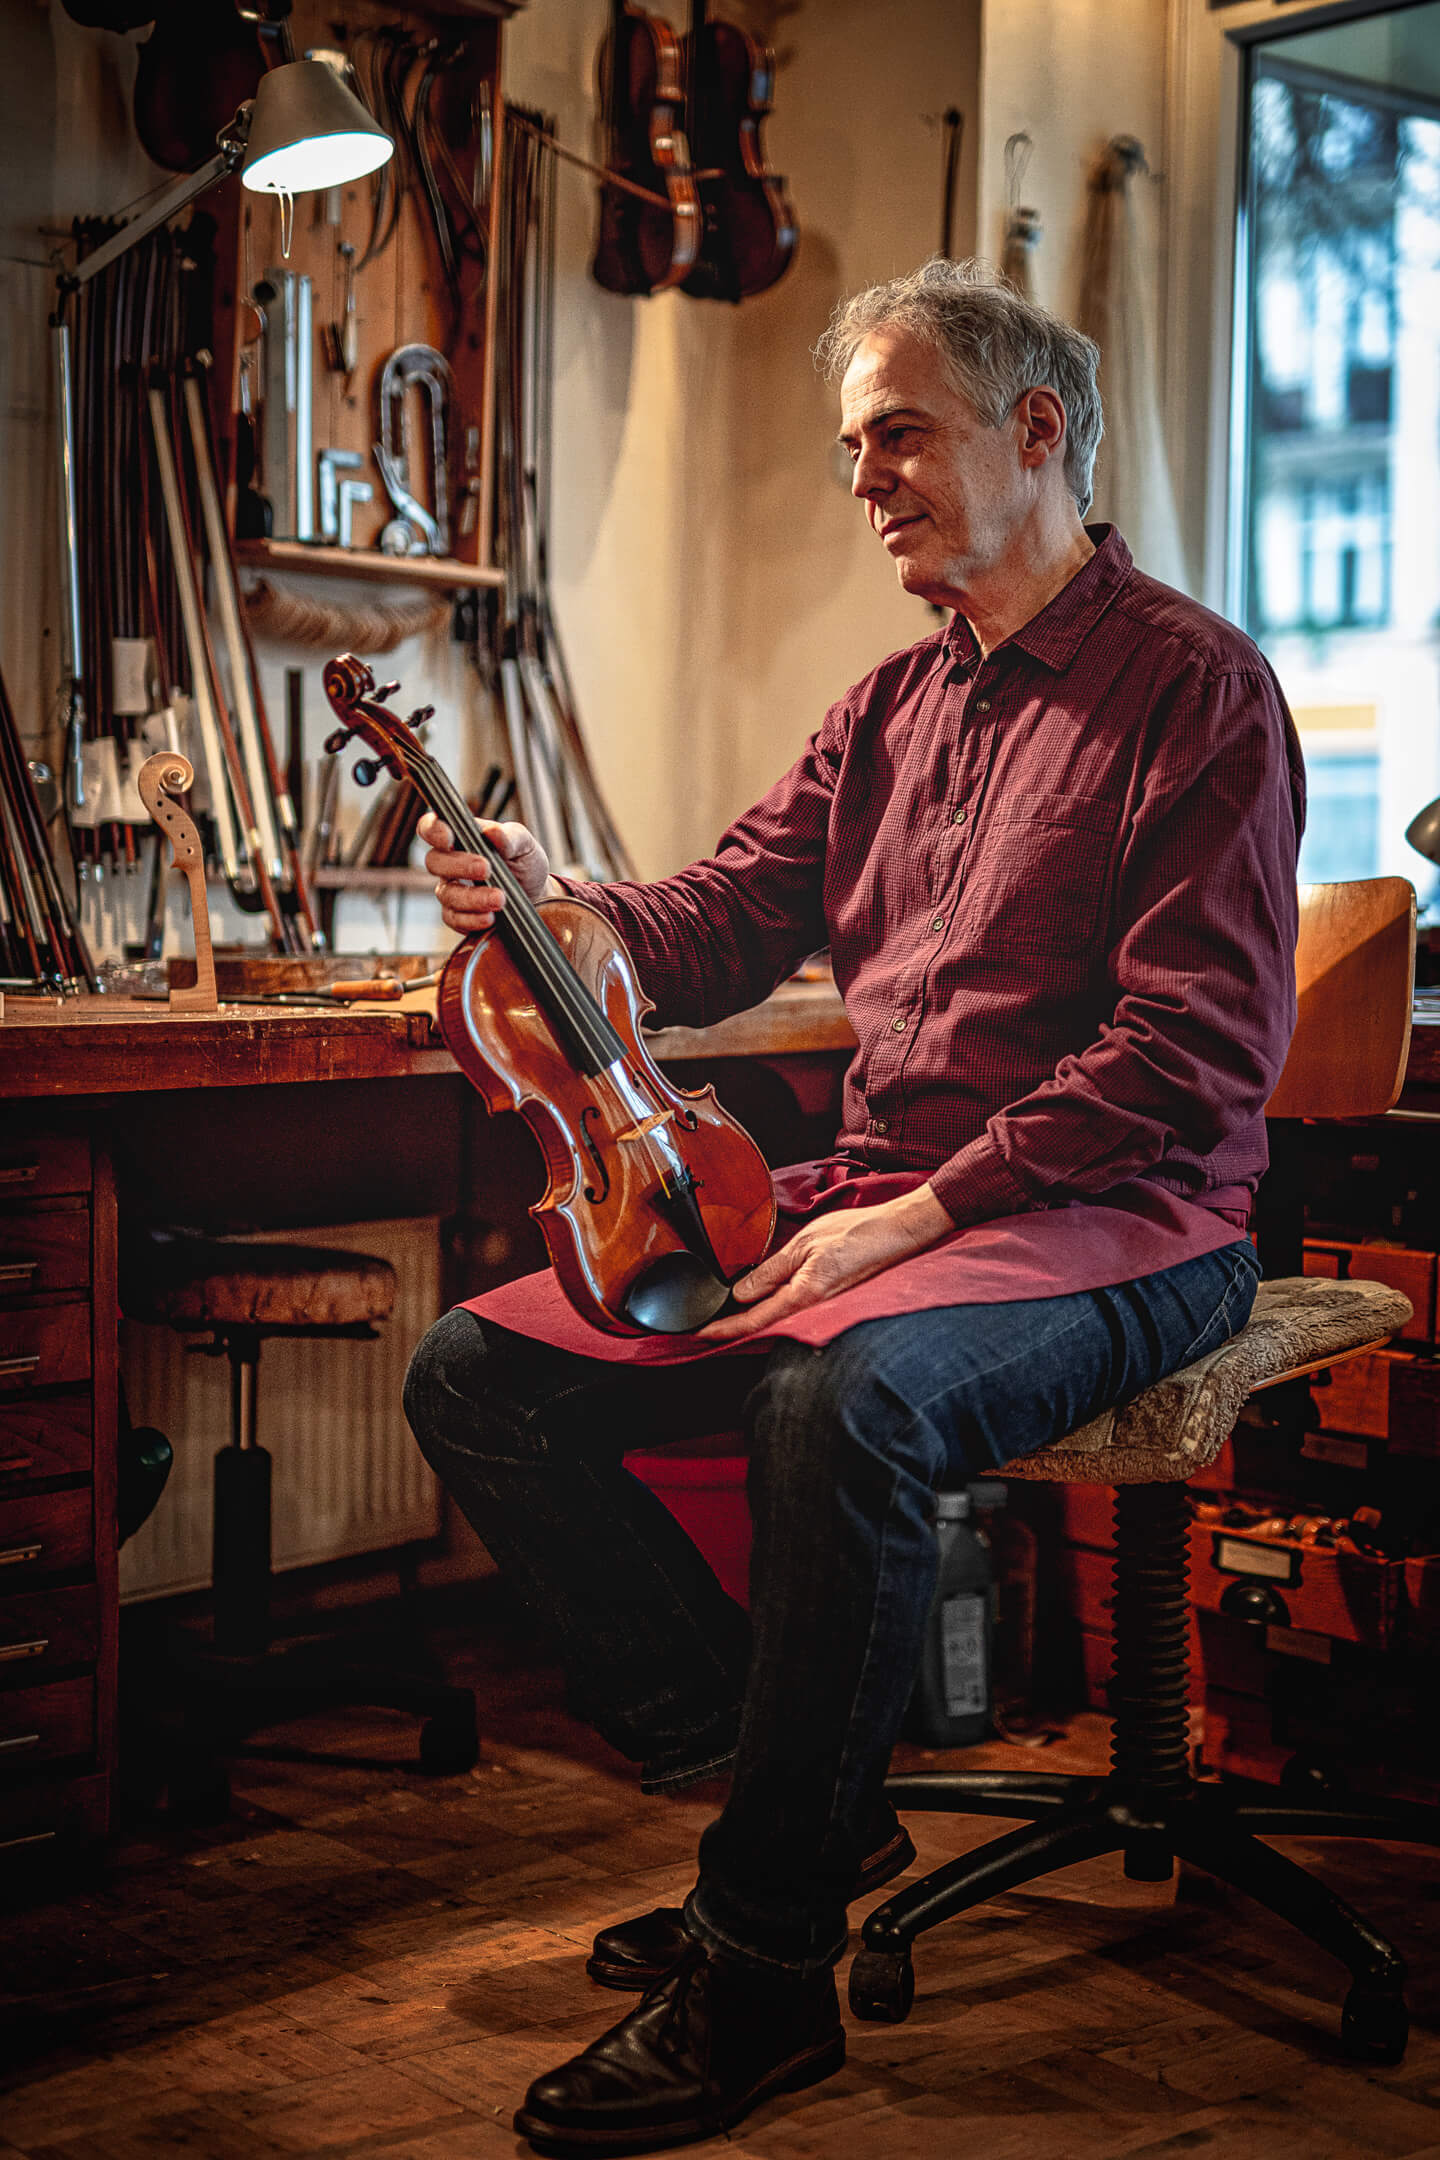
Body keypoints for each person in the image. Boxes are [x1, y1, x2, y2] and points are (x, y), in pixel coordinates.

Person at [404, 258, 1305, 2156]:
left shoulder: (1200, 687)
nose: (865, 476)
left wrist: (920, 1216)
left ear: (1034, 430)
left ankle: (764, 1964)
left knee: (840, 1403)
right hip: (910, 1193)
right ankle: (789, 1808)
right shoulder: (887, 707)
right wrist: (557, 905)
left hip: (1134, 1218)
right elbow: (716, 919)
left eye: (897, 432)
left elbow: (1192, 1053)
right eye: (851, 449)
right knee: (481, 1369)